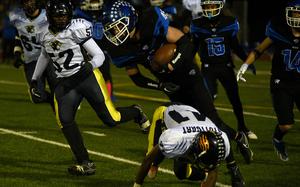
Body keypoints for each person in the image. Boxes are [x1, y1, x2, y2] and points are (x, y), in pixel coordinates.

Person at [101, 1, 252, 185]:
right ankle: (236, 137)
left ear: (130, 19)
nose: (115, 33)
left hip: (188, 74)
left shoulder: (151, 21)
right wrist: (160, 86)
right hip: (170, 84)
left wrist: (174, 63)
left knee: (213, 123)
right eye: (112, 30)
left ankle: (234, 169)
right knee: (192, 125)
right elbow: (137, 78)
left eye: (117, 27)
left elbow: (184, 42)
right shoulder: (122, 49)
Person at [30, 0, 150, 175]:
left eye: (64, 16)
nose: (62, 20)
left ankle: (136, 112)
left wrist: (89, 66)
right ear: (49, 17)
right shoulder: (43, 33)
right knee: (64, 120)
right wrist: (34, 79)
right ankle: (85, 162)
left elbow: (99, 55)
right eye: (58, 16)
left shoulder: (76, 28)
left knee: (111, 119)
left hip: (87, 78)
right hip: (65, 82)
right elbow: (44, 55)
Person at [236, 0, 300, 161]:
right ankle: (277, 139)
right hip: (282, 82)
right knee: (286, 125)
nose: (297, 17)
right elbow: (258, 50)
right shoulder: (279, 31)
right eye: (295, 14)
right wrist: (245, 65)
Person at [190, 0, 257, 140]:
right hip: (207, 67)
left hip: (226, 67)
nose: (209, 9)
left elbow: (236, 46)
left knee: (234, 99)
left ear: (220, 6)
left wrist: (247, 61)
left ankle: (243, 127)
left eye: (212, 6)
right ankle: (206, 129)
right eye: (206, 7)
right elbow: (193, 48)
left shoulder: (229, 22)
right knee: (207, 99)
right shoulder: (197, 24)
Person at [133, 103, 231, 187]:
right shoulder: (175, 139)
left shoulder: (221, 141)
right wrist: (137, 184)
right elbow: (148, 159)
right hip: (164, 113)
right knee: (153, 162)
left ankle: (202, 176)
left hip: (188, 118)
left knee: (181, 173)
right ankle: (155, 165)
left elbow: (213, 168)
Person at [8, 0, 56, 106]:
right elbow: (19, 35)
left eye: (31, 1)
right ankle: (54, 101)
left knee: (57, 90)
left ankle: (62, 113)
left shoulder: (48, 15)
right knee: (37, 97)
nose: (29, 4)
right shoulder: (16, 16)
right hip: (31, 61)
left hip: (49, 59)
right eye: (26, 2)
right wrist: (17, 53)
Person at [74, 0, 115, 99]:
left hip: (101, 48)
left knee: (105, 73)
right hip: (84, 48)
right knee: (81, 73)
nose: (94, 4)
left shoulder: (106, 12)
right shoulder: (79, 14)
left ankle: (108, 96)